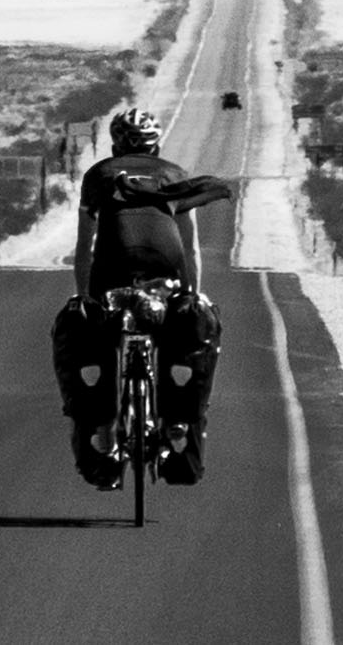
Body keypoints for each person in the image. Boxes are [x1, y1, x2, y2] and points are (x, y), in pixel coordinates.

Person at [50, 106, 232, 487]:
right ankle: (176, 422)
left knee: (99, 334)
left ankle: (102, 432)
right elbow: (190, 247)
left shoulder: (99, 175)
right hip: (166, 267)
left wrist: (85, 298)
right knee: (178, 331)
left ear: (115, 144)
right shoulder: (174, 175)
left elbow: (85, 247)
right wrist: (191, 296)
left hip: (112, 269)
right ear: (156, 145)